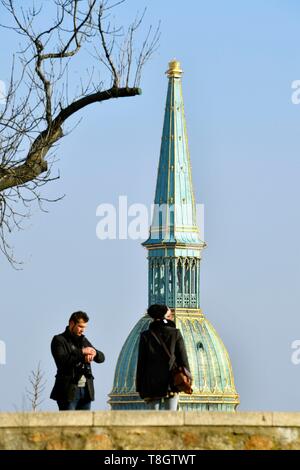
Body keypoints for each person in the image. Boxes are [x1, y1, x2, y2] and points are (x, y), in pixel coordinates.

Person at [136, 304, 191, 411]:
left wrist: (140, 387)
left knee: (153, 419)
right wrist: (188, 378)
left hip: (152, 383)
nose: (172, 317)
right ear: (165, 317)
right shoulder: (175, 333)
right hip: (172, 381)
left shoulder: (146, 335)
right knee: (171, 416)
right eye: (170, 315)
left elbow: (141, 363)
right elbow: (183, 359)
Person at [50, 311, 105, 410]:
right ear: (71, 323)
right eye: (80, 326)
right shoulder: (59, 340)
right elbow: (62, 362)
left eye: (84, 327)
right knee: (68, 424)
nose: (82, 330)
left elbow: (101, 358)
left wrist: (94, 353)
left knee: (85, 424)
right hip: (68, 392)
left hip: (86, 391)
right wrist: (83, 352)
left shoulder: (84, 340)